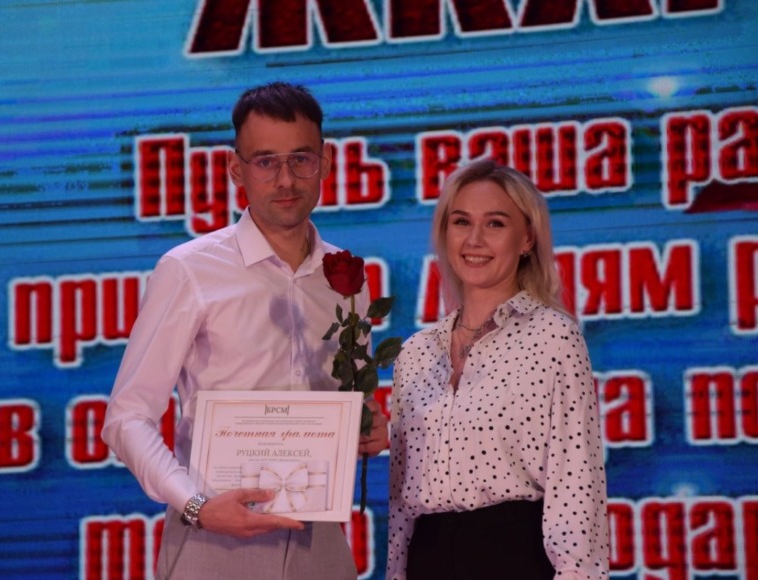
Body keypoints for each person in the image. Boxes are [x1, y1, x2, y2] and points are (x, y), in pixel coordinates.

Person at [101, 81, 388, 580]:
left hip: (319, 541)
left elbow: (350, 403)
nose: (286, 179)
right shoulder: (190, 269)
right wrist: (196, 505)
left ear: (325, 162)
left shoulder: (345, 278)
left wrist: (369, 428)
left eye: (301, 159)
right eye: (266, 161)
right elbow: (126, 417)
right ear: (237, 169)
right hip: (214, 538)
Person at [386, 159, 609, 579]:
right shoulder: (415, 353)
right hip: (428, 559)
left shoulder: (553, 337)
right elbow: (401, 503)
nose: (474, 239)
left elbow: (577, 486)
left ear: (526, 238)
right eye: (461, 222)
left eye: (495, 224)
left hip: (512, 557)